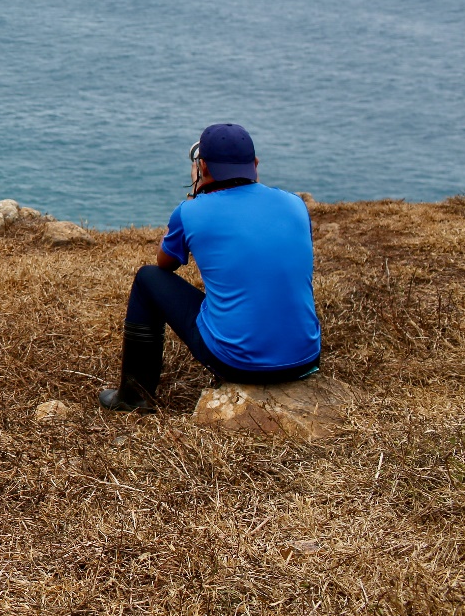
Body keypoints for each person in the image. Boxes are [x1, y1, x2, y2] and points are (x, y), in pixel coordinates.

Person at [99, 124, 322, 411]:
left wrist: (196, 194)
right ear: (255, 164)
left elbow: (165, 263)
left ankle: (133, 397)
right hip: (305, 359)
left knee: (147, 278)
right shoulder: (295, 204)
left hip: (237, 364)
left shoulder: (191, 210)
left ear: (201, 166)